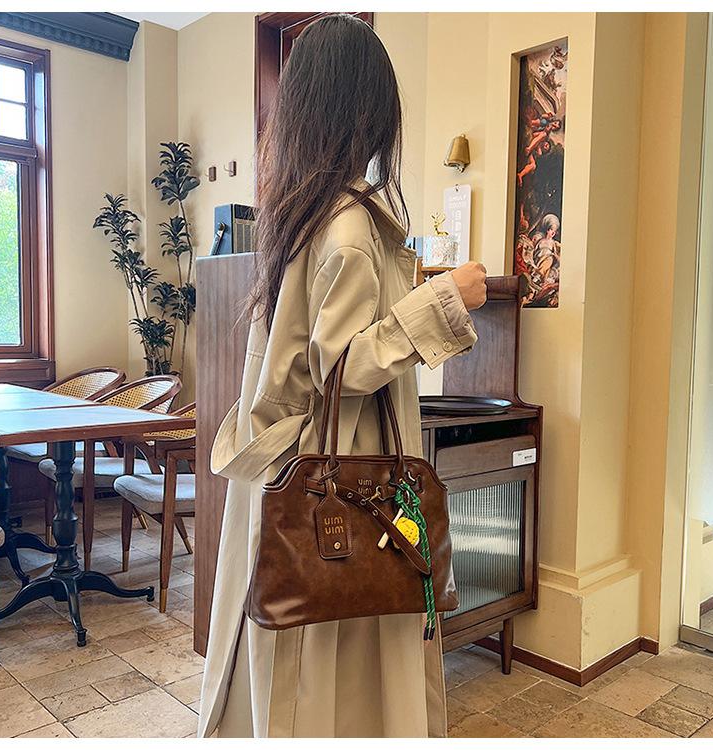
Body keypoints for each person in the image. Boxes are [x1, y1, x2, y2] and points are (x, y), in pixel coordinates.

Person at [198, 14, 487, 738]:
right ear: (369, 109)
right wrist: (447, 301)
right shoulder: (352, 225)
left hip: (285, 470)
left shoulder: (300, 211)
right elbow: (345, 366)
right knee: (341, 656)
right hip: (343, 469)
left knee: (281, 644)